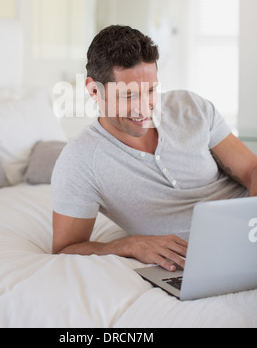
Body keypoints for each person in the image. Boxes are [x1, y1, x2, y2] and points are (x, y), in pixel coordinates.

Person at [51, 25, 257, 271]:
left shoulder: (191, 107)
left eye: (150, 90)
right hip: (206, 263)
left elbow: (252, 169)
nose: (143, 108)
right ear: (95, 90)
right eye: (128, 96)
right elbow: (65, 248)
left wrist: (250, 224)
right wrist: (130, 245)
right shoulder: (81, 161)